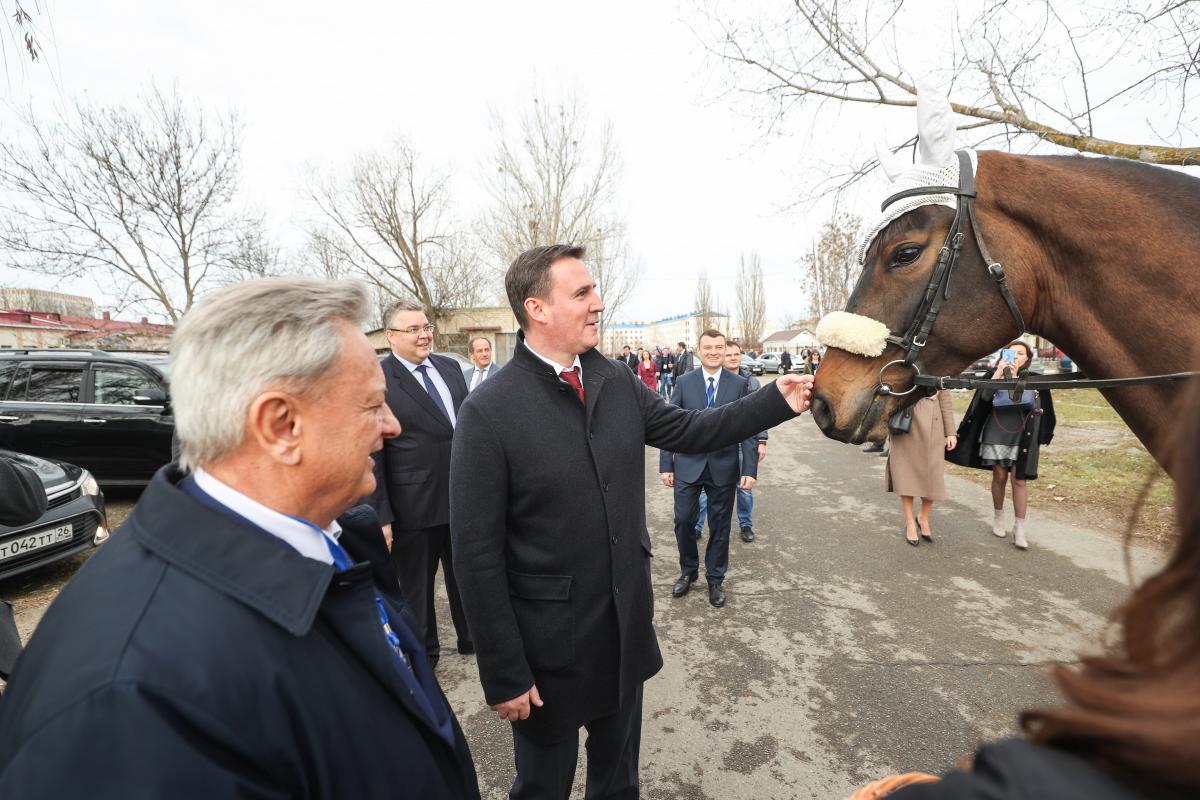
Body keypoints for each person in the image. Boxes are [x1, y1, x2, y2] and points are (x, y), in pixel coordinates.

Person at [0, 278, 480, 798]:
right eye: (370, 405)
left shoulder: (328, 539)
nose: (392, 426)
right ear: (280, 425)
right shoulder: (135, 700)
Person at [450, 244, 813, 800]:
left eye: (595, 290)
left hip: (620, 628)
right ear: (537, 308)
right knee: (542, 786)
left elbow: (691, 430)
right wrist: (503, 670)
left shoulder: (613, 380)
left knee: (619, 781)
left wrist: (773, 403)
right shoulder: (489, 411)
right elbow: (475, 553)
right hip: (548, 649)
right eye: (582, 293)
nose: (598, 303)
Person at [849, 374, 1200, 800]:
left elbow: (953, 402)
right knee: (911, 479)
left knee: (936, 482)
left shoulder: (1032, 774)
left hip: (942, 429)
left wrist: (952, 430)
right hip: (910, 427)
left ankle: (932, 519)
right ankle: (911, 521)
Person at [370, 298, 473, 665]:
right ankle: (424, 652)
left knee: (467, 574)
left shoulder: (449, 368)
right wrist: (381, 514)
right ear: (391, 335)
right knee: (417, 588)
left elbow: (463, 429)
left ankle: (470, 637)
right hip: (412, 506)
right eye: (413, 329)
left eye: (426, 327)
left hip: (460, 496)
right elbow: (374, 451)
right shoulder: (379, 379)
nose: (423, 335)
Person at [660, 329, 760, 608]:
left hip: (723, 467)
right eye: (708, 347)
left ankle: (715, 579)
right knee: (683, 521)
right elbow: (669, 426)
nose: (714, 352)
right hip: (688, 465)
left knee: (719, 526)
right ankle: (688, 571)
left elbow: (749, 427)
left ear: (724, 349)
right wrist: (666, 463)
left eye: (719, 347)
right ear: (698, 350)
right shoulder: (684, 381)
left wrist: (749, 467)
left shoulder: (739, 384)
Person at [947, 340, 1056, 550]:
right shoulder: (993, 374)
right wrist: (999, 372)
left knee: (1019, 480)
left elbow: (1046, 409)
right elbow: (985, 399)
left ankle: (1020, 528)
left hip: (1023, 434)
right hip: (996, 431)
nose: (1016, 357)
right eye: (1011, 353)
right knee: (999, 475)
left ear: (1027, 359)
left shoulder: (1034, 379)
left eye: (1021, 354)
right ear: (1004, 355)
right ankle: (998, 517)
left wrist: (1044, 435)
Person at [693, 341, 767, 543]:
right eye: (730, 354)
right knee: (706, 488)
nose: (734, 357)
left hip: (743, 443)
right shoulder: (714, 381)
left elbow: (760, 415)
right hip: (717, 445)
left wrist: (762, 440)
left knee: (743, 488)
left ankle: (746, 524)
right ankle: (698, 526)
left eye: (737, 354)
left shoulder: (751, 383)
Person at [886, 389, 957, 546]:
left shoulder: (943, 365)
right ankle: (910, 522)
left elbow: (945, 399)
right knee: (906, 474)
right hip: (907, 420)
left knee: (933, 477)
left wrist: (951, 432)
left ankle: (923, 517)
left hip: (934, 423)